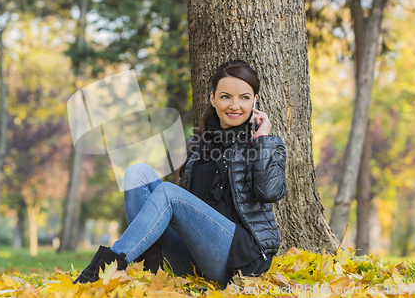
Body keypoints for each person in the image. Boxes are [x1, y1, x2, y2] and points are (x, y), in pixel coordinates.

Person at [73, 60, 287, 286]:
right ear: (213, 99)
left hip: (239, 261)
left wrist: (261, 138)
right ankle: (150, 266)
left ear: (255, 101)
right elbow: (186, 209)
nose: (235, 105)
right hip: (192, 258)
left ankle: (104, 270)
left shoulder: (267, 145)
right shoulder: (196, 144)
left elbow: (270, 193)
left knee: (168, 192)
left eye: (244, 97)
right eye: (226, 97)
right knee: (136, 173)